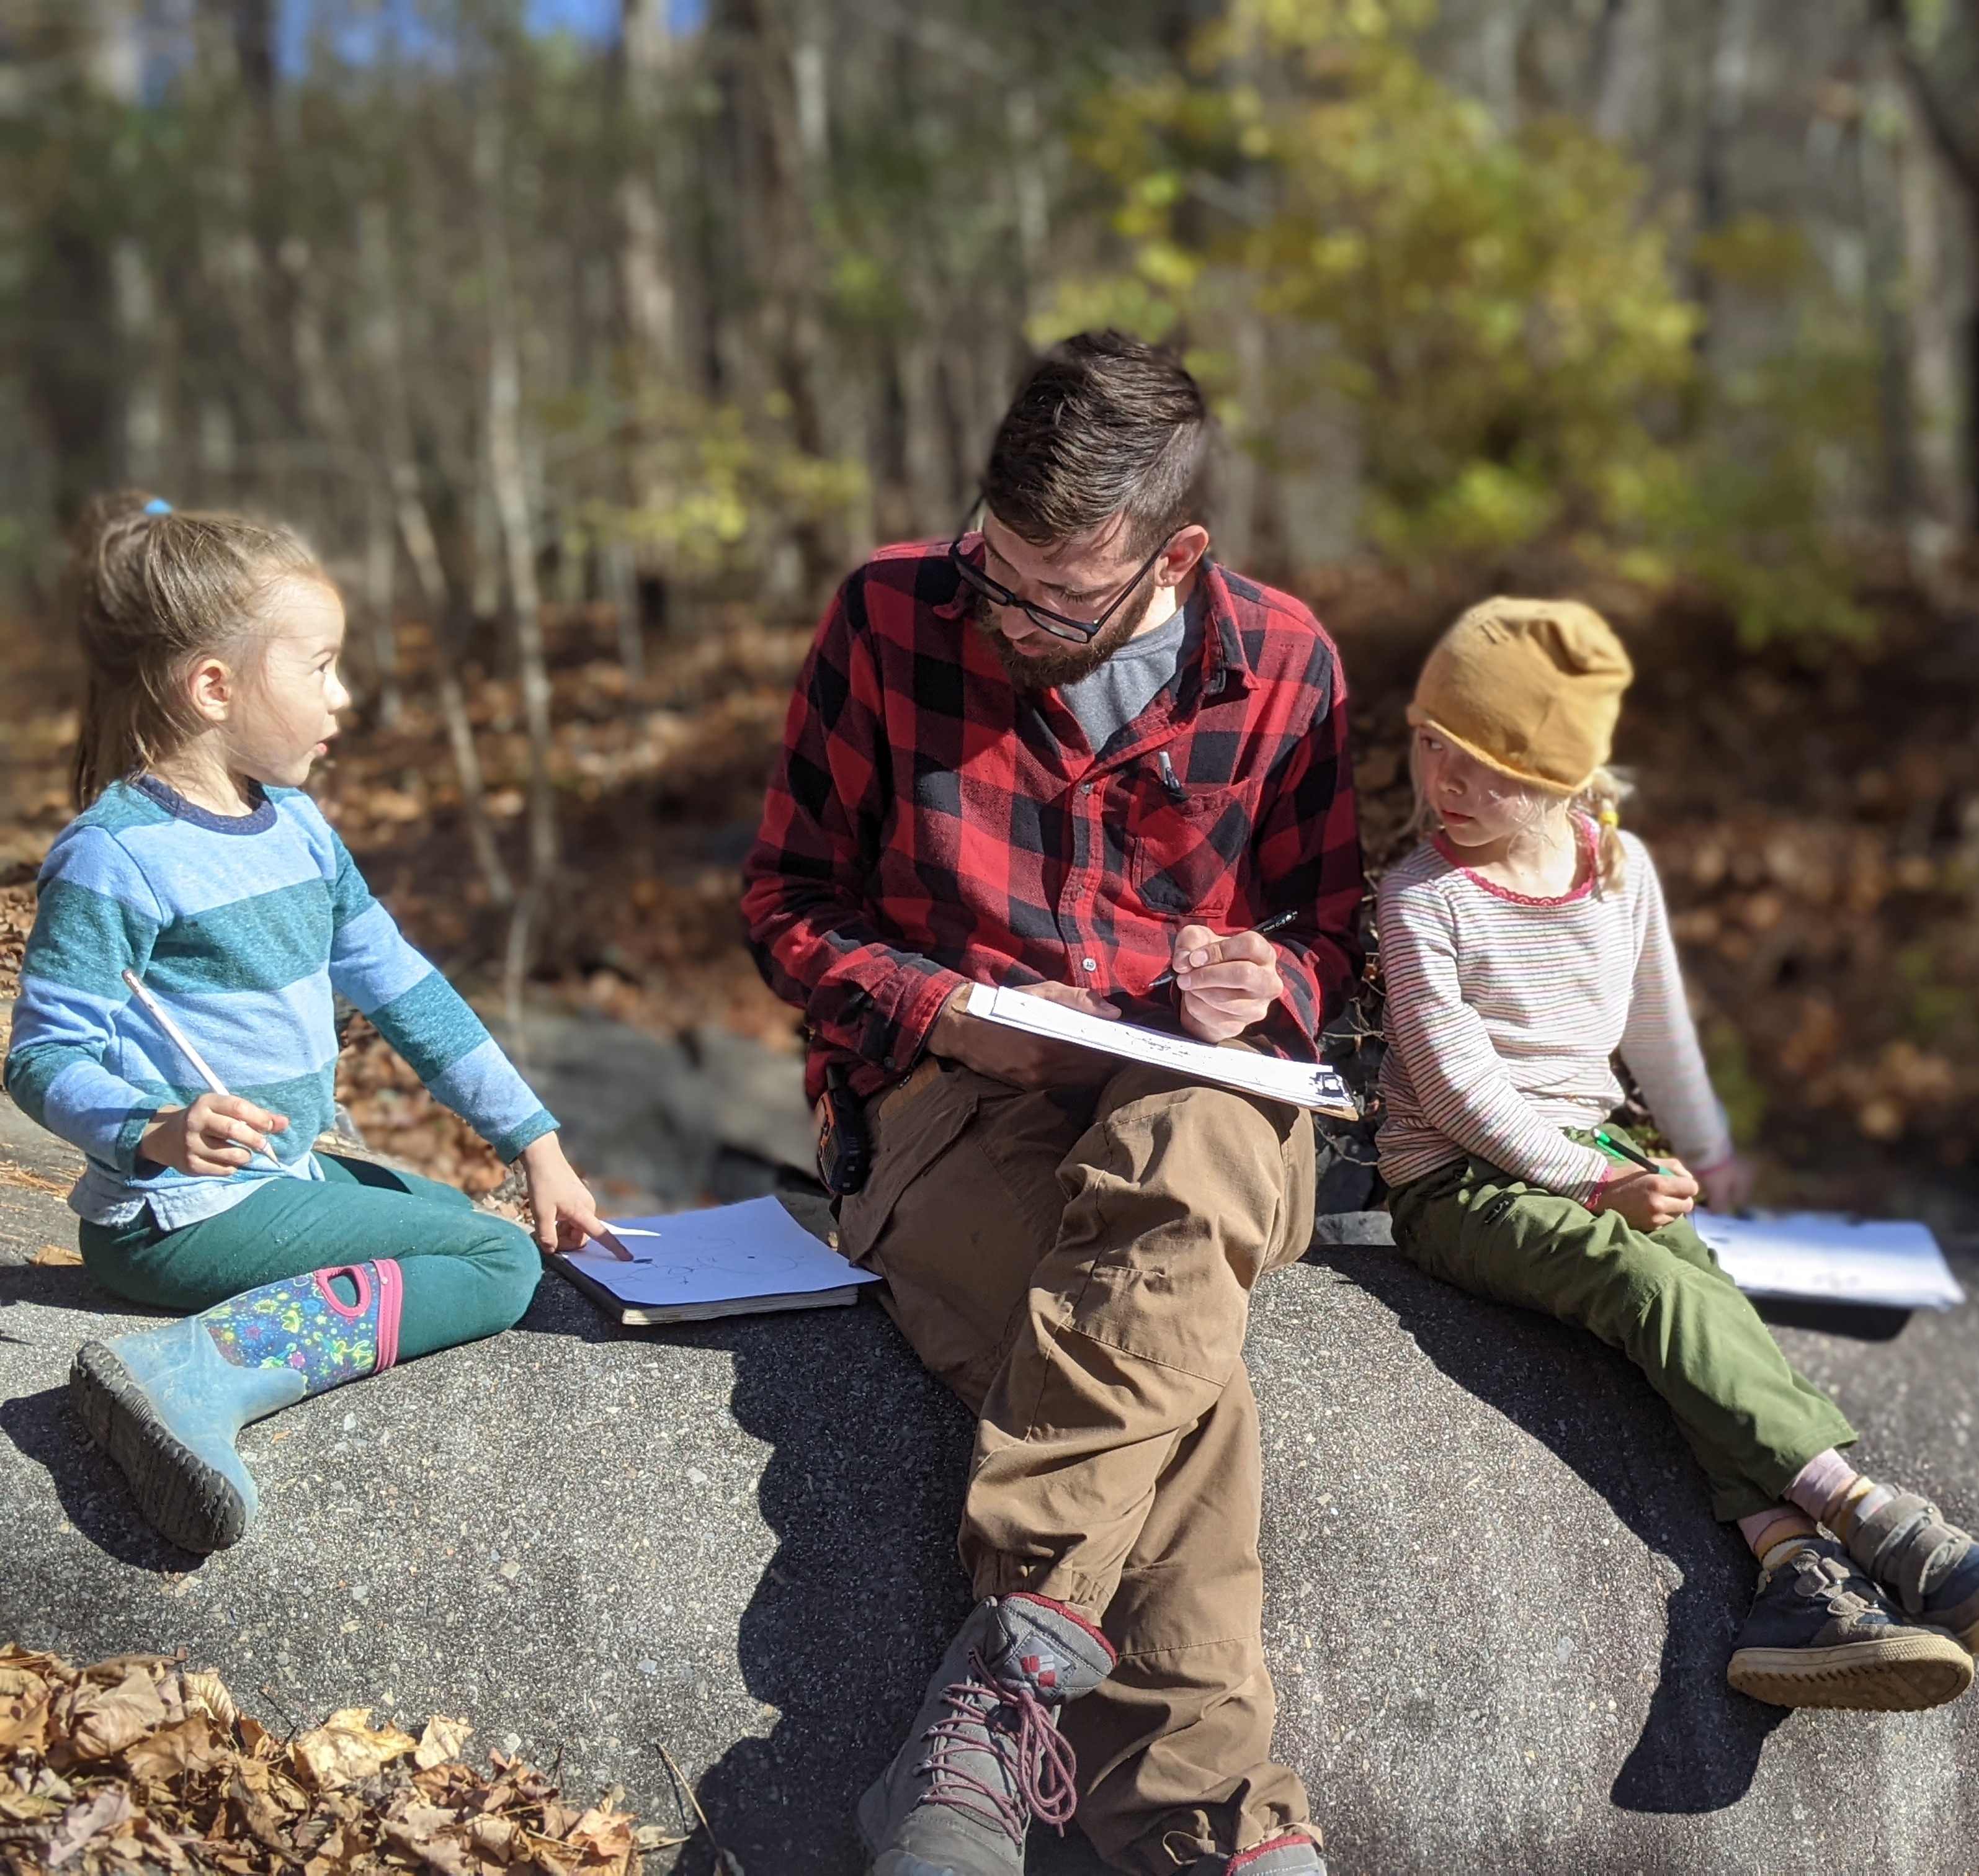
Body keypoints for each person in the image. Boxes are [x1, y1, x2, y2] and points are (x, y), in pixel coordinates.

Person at [743, 331, 1362, 1876]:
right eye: (996, 572)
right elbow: (786, 901)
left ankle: (1007, 1683)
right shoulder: (889, 617)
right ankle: (1222, 1837)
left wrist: (1267, 986)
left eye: (1061, 598)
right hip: (950, 1114)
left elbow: (1335, 939)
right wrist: (945, 1011)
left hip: (1210, 1122)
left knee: (1195, 1136)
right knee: (1175, 1381)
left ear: (1180, 551)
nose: (1013, 620)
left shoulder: (1289, 664)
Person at [1374, 597, 1979, 1712]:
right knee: (1644, 1282)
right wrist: (1601, 1182)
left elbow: (1655, 1023)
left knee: (1704, 1293)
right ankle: (1872, 1517)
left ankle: (1791, 1574)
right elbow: (1457, 1090)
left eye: (1486, 767)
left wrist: (1708, 1149)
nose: (1447, 782)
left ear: (1565, 780)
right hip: (1456, 1180)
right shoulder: (1420, 899)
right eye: (1430, 744)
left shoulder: (1618, 871)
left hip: (1598, 1153)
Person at [6, 492, 622, 1557]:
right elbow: (41, 1053)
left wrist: (536, 1144)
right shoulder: (117, 855)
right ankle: (195, 1375)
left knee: (456, 1215)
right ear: (215, 687)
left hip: (278, 1179)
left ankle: (223, 1346)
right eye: (321, 667)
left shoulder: (295, 827)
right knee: (496, 1267)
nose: (344, 697)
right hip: (176, 1216)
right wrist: (154, 1127)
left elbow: (407, 991)